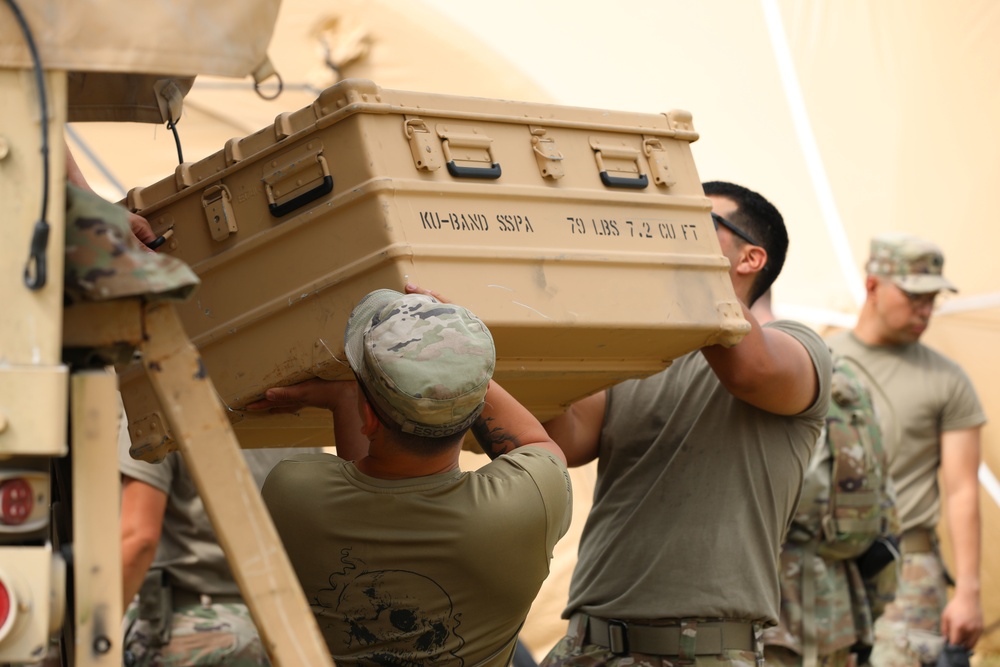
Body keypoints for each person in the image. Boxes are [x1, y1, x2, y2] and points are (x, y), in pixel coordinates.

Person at [538, 181, 834, 667]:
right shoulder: (638, 353)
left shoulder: (799, 347)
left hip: (701, 651)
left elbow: (750, 370)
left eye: (698, 224)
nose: (671, 233)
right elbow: (564, 440)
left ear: (750, 259)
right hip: (588, 645)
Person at [251, 287, 573, 666]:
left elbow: (363, 494)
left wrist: (341, 398)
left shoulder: (291, 492)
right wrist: (458, 350)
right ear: (475, 405)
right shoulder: (530, 504)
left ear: (368, 418)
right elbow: (534, 442)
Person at [826, 232, 986, 667]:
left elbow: (962, 492)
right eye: (915, 295)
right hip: (821, 562)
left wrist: (968, 591)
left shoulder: (948, 380)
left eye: (933, 298)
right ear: (872, 286)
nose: (926, 309)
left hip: (908, 567)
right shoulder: (816, 360)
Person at [119, 428, 318, 666]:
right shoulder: (296, 405)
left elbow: (139, 540)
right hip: (286, 634)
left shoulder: (145, 403)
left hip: (195, 633)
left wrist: (92, 634)